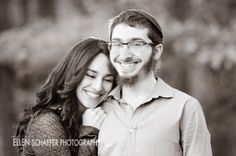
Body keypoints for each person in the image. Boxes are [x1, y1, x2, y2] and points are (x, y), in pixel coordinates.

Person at [98, 9, 212, 156]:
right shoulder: (98, 108)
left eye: (137, 43)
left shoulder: (185, 108)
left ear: (157, 51)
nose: (124, 54)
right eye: (117, 44)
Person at [16, 38, 116, 156]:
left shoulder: (102, 116)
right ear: (72, 74)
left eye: (108, 79)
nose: (98, 87)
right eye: (90, 75)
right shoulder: (47, 122)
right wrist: (89, 133)